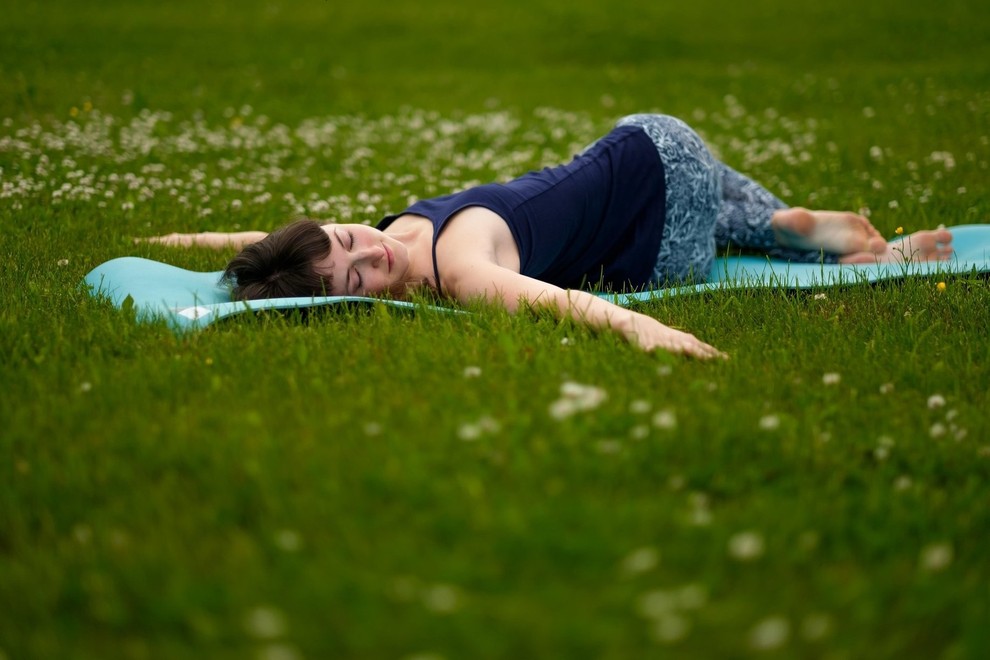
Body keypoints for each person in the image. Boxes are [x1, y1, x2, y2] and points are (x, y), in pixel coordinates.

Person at [146, 114, 954, 359]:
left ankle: (792, 235)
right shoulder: (418, 237)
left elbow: (568, 303)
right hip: (650, 141)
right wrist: (203, 243)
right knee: (735, 209)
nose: (373, 249)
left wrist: (656, 331)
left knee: (703, 240)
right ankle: (797, 227)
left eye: (352, 237)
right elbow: (556, 299)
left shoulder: (453, 265)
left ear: (342, 229)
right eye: (358, 272)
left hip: (659, 221)